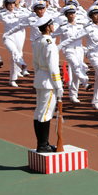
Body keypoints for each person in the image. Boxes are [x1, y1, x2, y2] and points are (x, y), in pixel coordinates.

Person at [32, 14, 63, 153]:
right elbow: (53, 67)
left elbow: (35, 62)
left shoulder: (37, 41)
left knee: (39, 112)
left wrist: (38, 75)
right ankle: (43, 144)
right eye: (52, 25)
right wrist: (59, 85)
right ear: (48, 27)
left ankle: (42, 143)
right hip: (48, 82)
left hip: (40, 78)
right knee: (45, 113)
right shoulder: (50, 44)